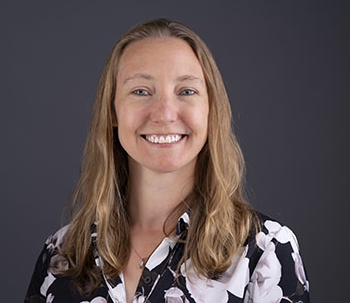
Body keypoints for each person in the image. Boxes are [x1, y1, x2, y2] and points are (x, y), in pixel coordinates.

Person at [24, 18, 310, 303]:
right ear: (112, 111)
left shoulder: (265, 251)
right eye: (140, 91)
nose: (164, 114)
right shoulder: (62, 254)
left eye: (186, 91)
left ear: (211, 110)